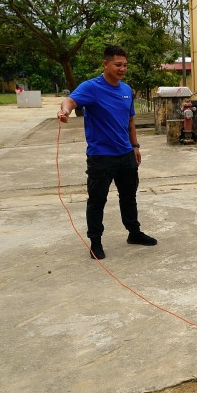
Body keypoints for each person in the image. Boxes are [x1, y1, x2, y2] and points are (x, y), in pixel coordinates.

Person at [57, 45, 157, 260]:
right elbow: (71, 100)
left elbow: (130, 121)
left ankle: (134, 232)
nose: (122, 69)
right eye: (118, 65)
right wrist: (65, 110)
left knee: (129, 196)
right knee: (97, 200)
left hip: (125, 155)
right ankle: (95, 242)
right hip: (101, 157)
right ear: (105, 64)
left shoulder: (126, 90)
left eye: (125, 65)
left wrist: (136, 146)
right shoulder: (91, 87)